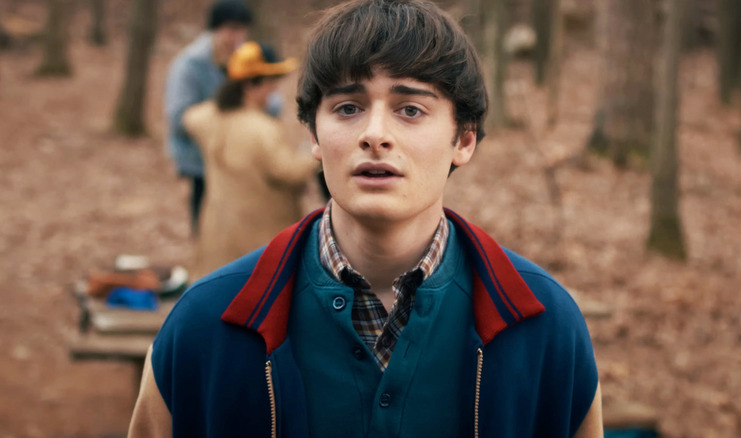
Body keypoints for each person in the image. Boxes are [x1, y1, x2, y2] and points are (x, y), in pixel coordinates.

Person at [129, 0, 602, 436]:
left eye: (410, 110)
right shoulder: (203, 327)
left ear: (464, 139)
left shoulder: (545, 328)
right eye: (348, 108)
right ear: (314, 135)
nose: (375, 134)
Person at [182, 41, 318, 279]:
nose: (273, 89)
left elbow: (189, 118)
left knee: (219, 288)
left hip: (218, 233)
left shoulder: (208, 119)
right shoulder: (262, 129)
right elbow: (289, 172)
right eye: (269, 82)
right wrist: (314, 153)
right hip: (261, 237)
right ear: (249, 85)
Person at [164, 0, 252, 235]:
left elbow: (269, 102)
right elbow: (178, 118)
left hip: (237, 158)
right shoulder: (189, 64)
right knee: (205, 225)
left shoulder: (244, 57)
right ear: (216, 28)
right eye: (232, 29)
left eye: (242, 30)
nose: (238, 37)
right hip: (200, 160)